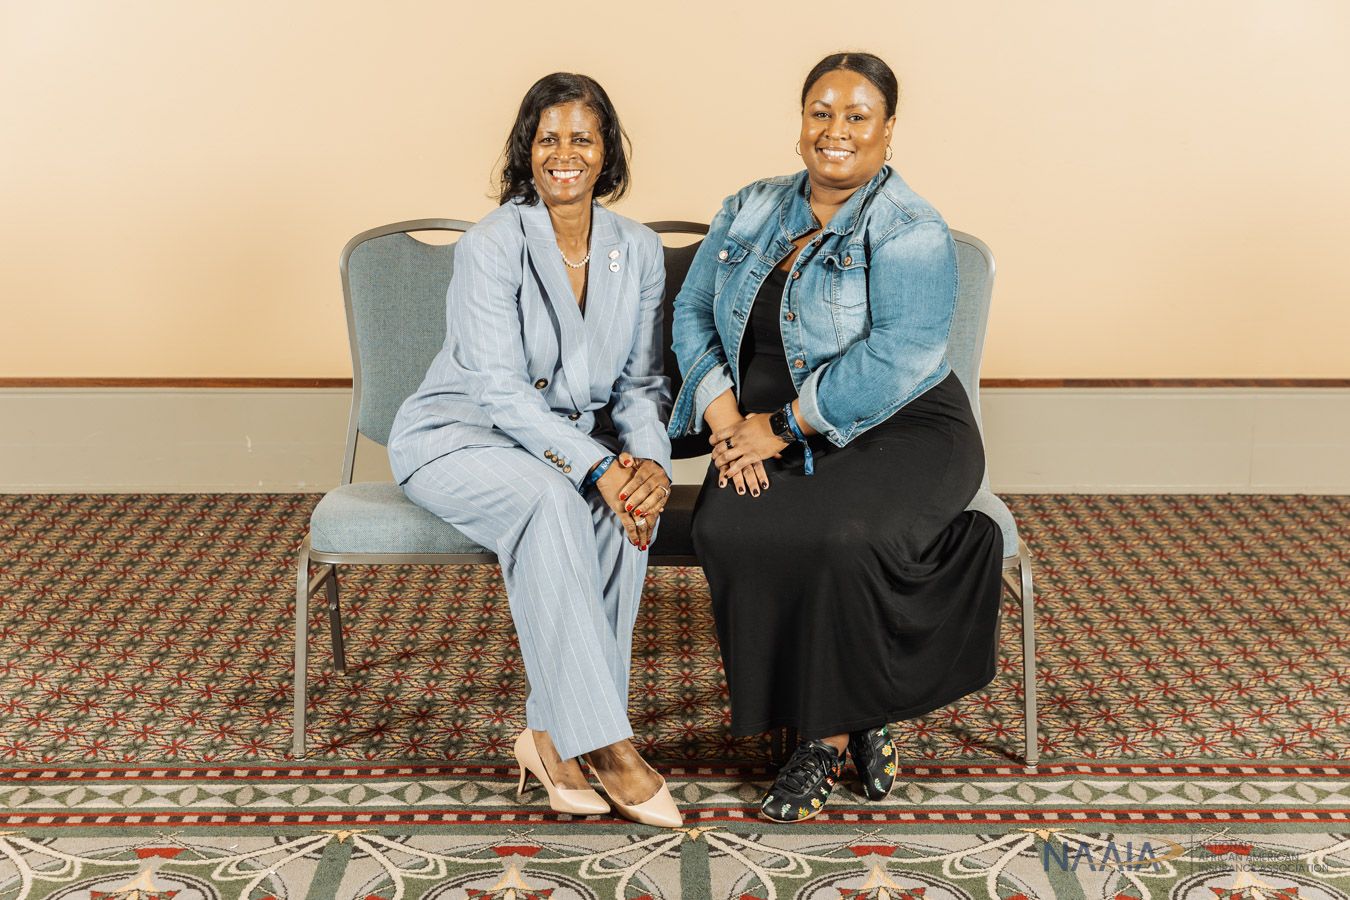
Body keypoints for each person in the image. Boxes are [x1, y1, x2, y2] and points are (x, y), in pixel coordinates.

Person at [668, 52, 1003, 823]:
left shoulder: (910, 226)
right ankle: (864, 701)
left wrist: (780, 428)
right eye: (821, 112)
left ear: (888, 129)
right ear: (800, 123)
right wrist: (726, 422)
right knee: (728, 527)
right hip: (755, 424)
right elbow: (692, 313)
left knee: (843, 538)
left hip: (901, 425)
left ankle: (823, 738)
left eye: (858, 115)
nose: (836, 130)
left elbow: (898, 357)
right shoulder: (750, 206)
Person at [387, 72, 681, 828]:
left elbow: (643, 383)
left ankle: (551, 735)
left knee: (624, 510)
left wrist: (647, 464)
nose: (564, 154)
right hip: (461, 435)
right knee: (557, 499)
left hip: (568, 447)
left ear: (606, 151)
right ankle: (607, 743)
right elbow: (499, 390)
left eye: (582, 138)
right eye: (548, 138)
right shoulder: (493, 243)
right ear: (527, 150)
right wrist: (599, 466)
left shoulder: (637, 249)